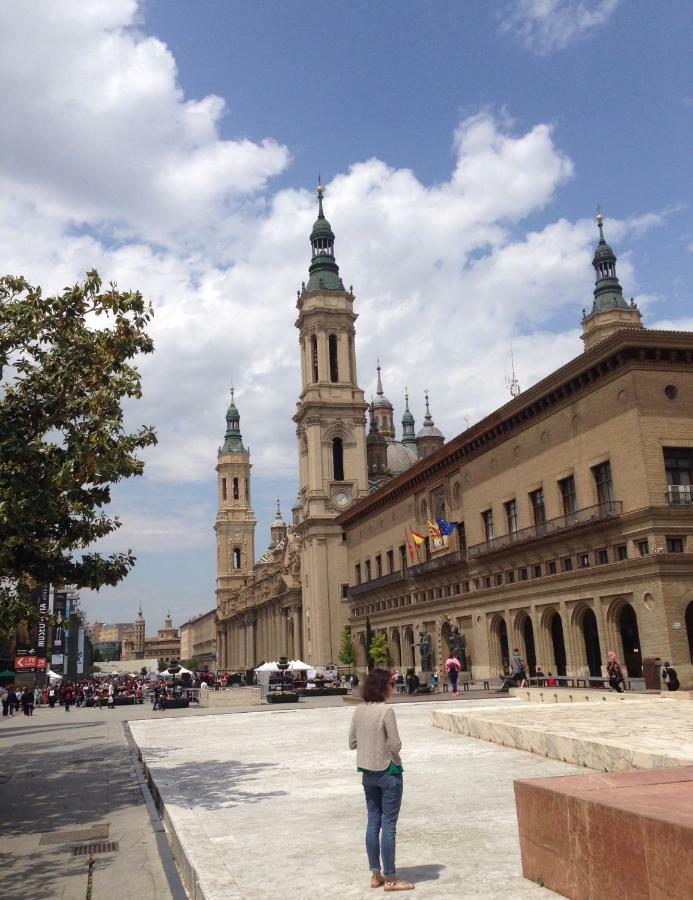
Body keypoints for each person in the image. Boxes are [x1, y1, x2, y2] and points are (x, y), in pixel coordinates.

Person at [348, 668, 414, 893]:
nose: (393, 687)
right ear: (382, 686)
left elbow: (352, 743)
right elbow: (395, 744)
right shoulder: (387, 711)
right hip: (388, 772)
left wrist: (368, 747)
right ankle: (392, 878)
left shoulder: (358, 710)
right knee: (388, 826)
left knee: (373, 822)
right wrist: (392, 756)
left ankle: (375, 874)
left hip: (367, 774)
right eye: (391, 683)